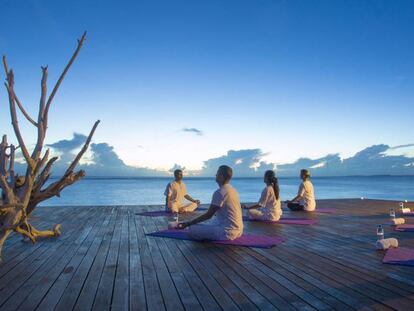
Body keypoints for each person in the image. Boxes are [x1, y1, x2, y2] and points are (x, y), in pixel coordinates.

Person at [177, 165, 243, 241]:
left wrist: (187, 223)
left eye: (217, 173)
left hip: (227, 232)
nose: (215, 175)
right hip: (239, 230)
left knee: (192, 228)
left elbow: (208, 215)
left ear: (221, 176)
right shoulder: (233, 190)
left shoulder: (220, 192)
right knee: (210, 222)